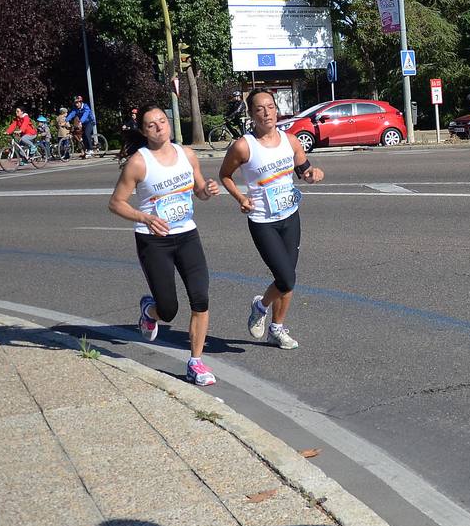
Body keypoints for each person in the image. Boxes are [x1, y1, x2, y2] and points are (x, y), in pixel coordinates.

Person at [107, 104, 221, 386]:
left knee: (200, 298)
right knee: (168, 310)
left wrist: (206, 190)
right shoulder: (139, 162)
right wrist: (144, 217)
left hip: (187, 234)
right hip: (153, 241)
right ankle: (150, 311)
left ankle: (195, 363)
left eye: (162, 121)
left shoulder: (187, 154)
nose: (159, 126)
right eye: (151, 125)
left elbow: (198, 191)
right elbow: (116, 203)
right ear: (144, 132)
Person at [218, 88, 323, 351]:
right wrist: (240, 198)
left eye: (270, 107)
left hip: (290, 216)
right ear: (252, 115)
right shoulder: (243, 146)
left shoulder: (291, 141)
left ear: (277, 110)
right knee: (285, 278)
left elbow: (304, 170)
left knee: (289, 277)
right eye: (259, 109)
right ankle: (260, 306)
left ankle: (276, 328)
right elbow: (225, 175)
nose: (266, 113)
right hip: (262, 220)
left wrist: (312, 174)